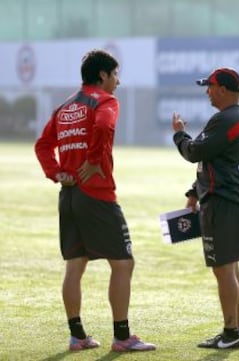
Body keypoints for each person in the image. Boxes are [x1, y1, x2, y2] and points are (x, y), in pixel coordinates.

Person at [34, 49, 156, 353]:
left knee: (75, 265)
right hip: (97, 193)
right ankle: (122, 336)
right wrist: (92, 159)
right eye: (115, 74)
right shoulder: (105, 101)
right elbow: (103, 127)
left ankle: (77, 337)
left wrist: (57, 173)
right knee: (124, 263)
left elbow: (42, 145)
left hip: (70, 195)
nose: (118, 81)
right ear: (102, 75)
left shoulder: (64, 107)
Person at [171, 67, 239, 349]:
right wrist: (194, 191)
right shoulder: (238, 117)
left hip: (222, 203)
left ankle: (231, 332)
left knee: (223, 270)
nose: (207, 91)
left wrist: (180, 135)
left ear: (224, 90)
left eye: (210, 86)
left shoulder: (226, 118)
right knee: (230, 268)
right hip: (229, 201)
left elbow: (196, 152)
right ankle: (237, 329)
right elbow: (215, 160)